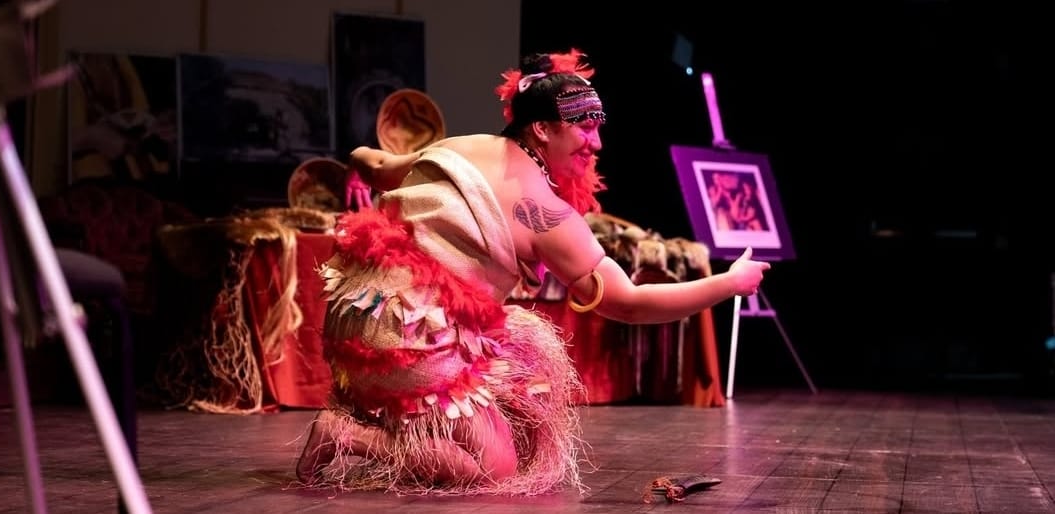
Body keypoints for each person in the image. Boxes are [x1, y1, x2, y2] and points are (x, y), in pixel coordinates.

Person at [294, 49, 770, 495]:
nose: (596, 142)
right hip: (404, 337)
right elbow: (628, 302)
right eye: (583, 126)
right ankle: (346, 435)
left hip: (354, 317)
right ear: (541, 129)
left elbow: (377, 163)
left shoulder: (462, 145)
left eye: (599, 126)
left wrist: (354, 162)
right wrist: (729, 283)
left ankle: (378, 414)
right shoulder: (545, 212)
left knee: (515, 344)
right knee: (493, 468)